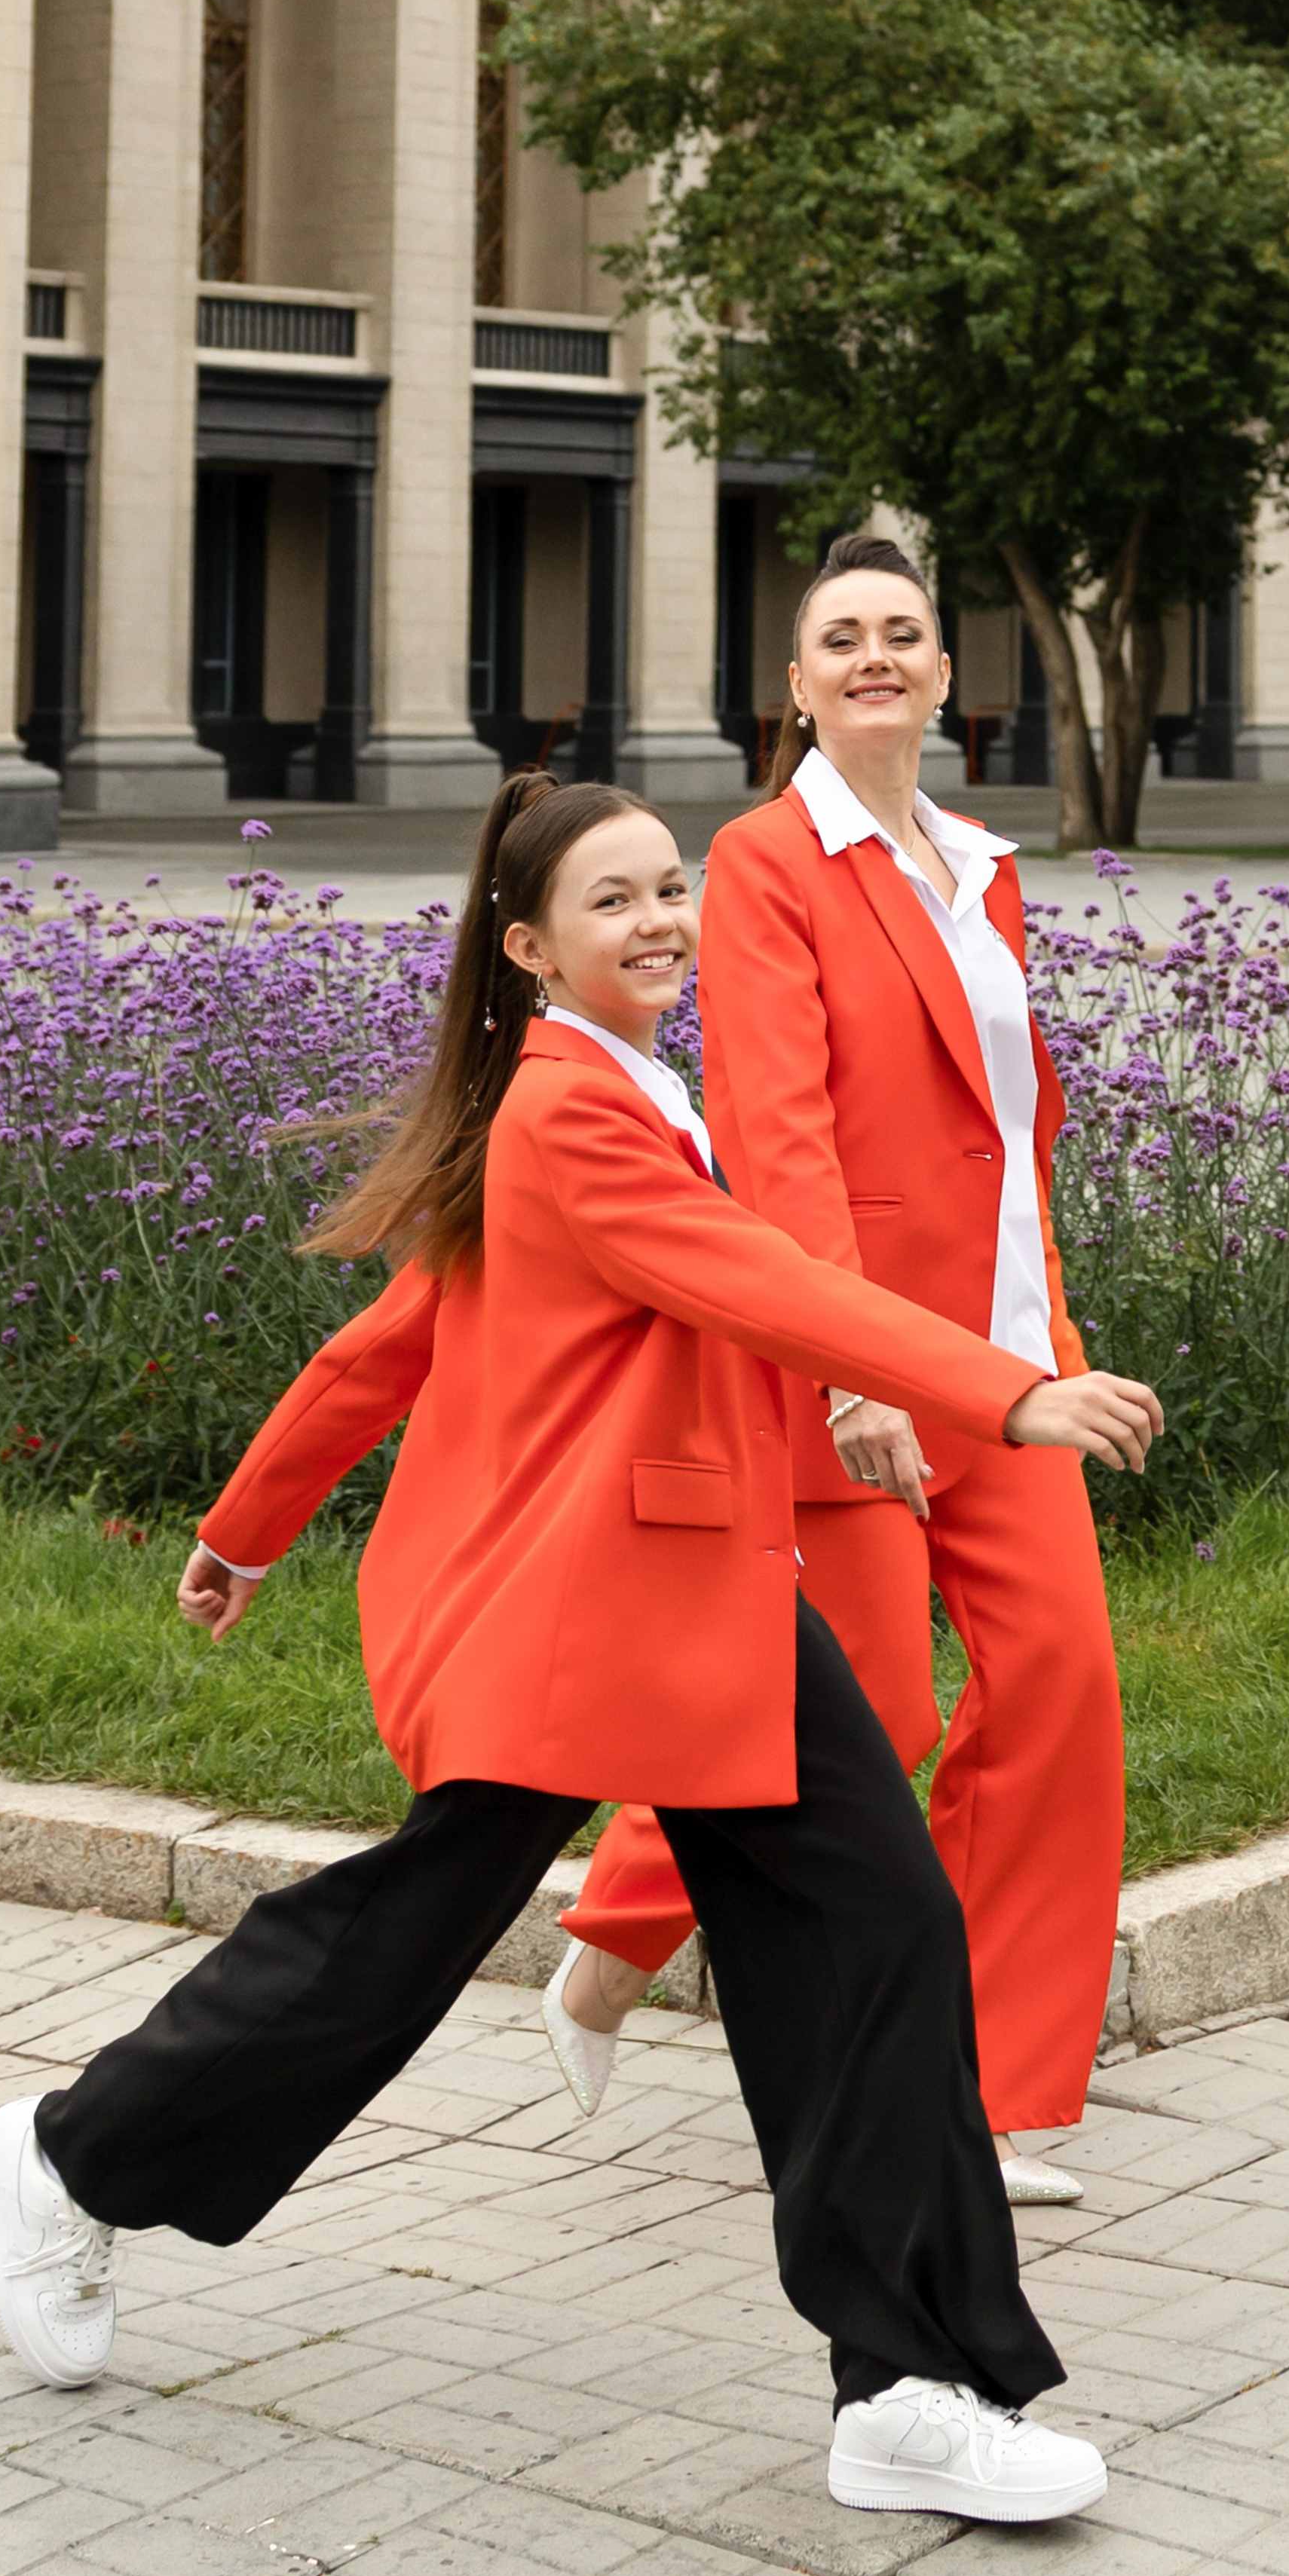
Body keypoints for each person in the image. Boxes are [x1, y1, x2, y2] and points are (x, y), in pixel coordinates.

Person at [0, 772, 1162, 2523]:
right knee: (397, 1940)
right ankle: (71, 2156)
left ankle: (908, 2388)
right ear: (527, 949)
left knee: (873, 1923)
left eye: (668, 887)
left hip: (697, 1592)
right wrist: (1001, 1386)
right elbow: (753, 1277)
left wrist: (241, 1528)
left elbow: (381, 1345)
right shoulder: (568, 1118)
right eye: (611, 902)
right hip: (578, 1604)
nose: (661, 920)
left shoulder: (615, 1091)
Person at [549, 536, 1140, 2201]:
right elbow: (781, 1131)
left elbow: (1005, 1130)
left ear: (944, 675)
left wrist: (1040, 1320)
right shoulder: (759, 861)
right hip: (863, 1354)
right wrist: (852, 1369)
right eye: (838, 638)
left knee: (1058, 1696)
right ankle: (613, 1933)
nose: (873, 656)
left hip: (1013, 1357)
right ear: (794, 686)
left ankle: (989, 2091)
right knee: (854, 1711)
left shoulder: (979, 862)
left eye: (901, 634)